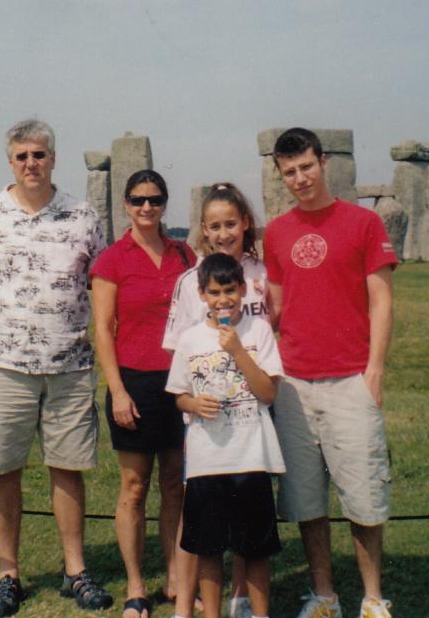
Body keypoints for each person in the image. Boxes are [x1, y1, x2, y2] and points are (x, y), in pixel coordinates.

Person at [0, 118, 111, 617]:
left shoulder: (83, 215)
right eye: (22, 156)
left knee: (68, 467)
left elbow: (102, 286)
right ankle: (8, 573)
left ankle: (75, 569)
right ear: (10, 161)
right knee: (1, 467)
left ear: (54, 158)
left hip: (69, 364)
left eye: (39, 154)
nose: (31, 163)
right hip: (0, 361)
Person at [264, 128, 397, 618]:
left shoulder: (362, 223)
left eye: (306, 167)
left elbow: (381, 300)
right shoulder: (276, 231)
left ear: (323, 162)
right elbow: (274, 306)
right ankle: (324, 595)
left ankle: (373, 597)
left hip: (350, 378)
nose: (300, 178)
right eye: (289, 172)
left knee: (363, 497)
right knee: (306, 499)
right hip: (294, 383)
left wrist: (375, 372)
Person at [91, 169, 194, 618]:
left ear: (164, 203)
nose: (147, 207)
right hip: (133, 380)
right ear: (126, 205)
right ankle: (135, 584)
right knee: (134, 487)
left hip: (180, 382)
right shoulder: (112, 259)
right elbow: (103, 330)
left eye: (154, 199)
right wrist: (116, 391)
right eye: (138, 200)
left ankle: (174, 573)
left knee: (176, 485)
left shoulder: (184, 253)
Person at [162, 182, 268, 618]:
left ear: (245, 223)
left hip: (254, 404)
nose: (224, 233)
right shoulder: (191, 281)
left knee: (248, 512)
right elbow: (180, 348)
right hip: (205, 417)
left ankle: (242, 598)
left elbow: (269, 332)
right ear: (204, 230)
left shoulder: (262, 273)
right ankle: (188, 606)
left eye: (231, 224)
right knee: (200, 514)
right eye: (215, 226)